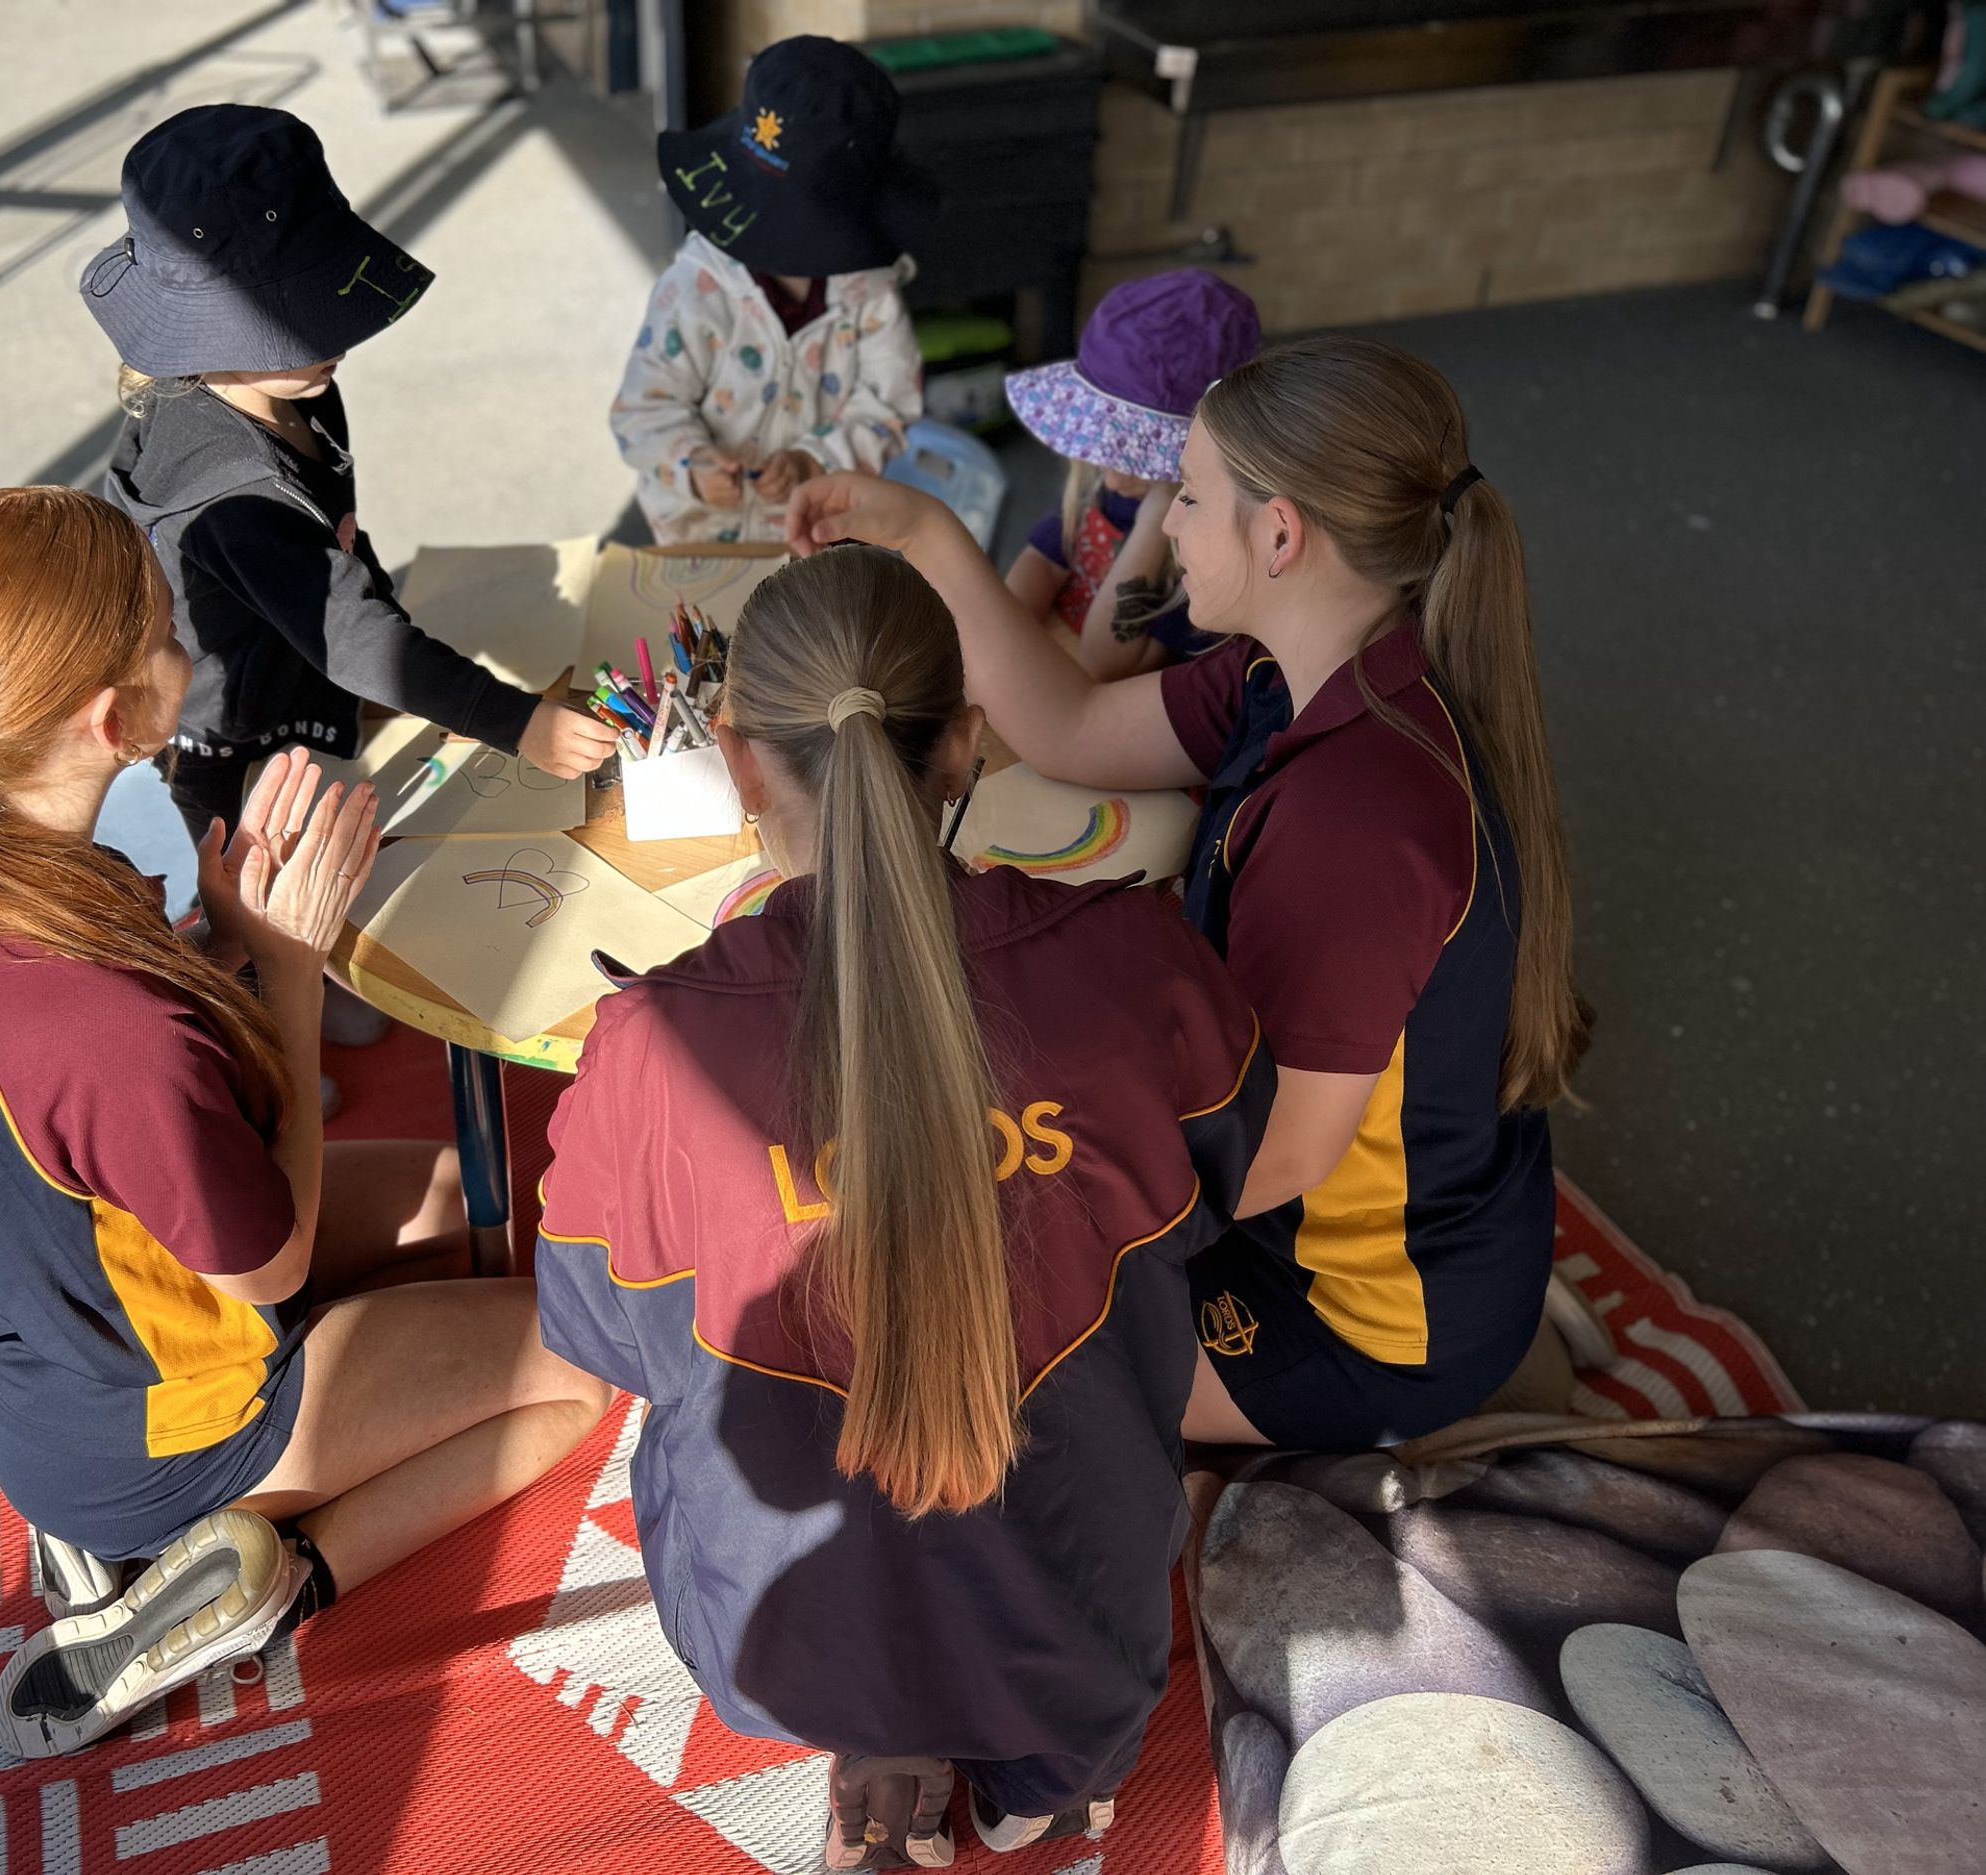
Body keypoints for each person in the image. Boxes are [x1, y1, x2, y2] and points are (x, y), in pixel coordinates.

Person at [534, 547, 1272, 1866]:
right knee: (1113, 1372)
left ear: (740, 764)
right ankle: (1052, 1781)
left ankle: (877, 1742)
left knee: (696, 1404)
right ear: (968, 745)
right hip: (1083, 1628)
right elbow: (1231, 1191)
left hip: (786, 1646)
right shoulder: (1141, 959)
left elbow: (602, 1340)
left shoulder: (646, 1048)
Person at [0, 487, 610, 1757]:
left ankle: (122, 1521)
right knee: (580, 1369)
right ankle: (269, 1580)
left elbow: (72, 1089)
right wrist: (290, 967)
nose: (188, 647)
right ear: (112, 720)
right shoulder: (106, 1030)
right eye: (165, 632)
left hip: (27, 1339)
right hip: (157, 1421)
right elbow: (271, 1263)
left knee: (451, 1193)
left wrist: (222, 942)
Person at [787, 334, 1589, 1451]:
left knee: (934, 1355)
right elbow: (1069, 724)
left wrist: (1015, 1189)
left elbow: (1278, 1158)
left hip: (1356, 1318)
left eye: (1192, 497)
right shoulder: (1300, 669)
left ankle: (1443, 1394)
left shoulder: (1352, 824)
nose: (1164, 527)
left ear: (1279, 535)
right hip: (1397, 1215)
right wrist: (921, 530)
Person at [83, 103, 611, 841]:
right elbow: (353, 637)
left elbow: (335, 560)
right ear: (220, 334)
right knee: (266, 892)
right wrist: (514, 721)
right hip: (238, 749)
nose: (338, 338)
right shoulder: (233, 494)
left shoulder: (294, 387)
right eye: (309, 319)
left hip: (301, 675)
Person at [610, 36, 924, 546]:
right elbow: (642, 410)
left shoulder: (872, 296)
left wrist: (812, 460)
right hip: (700, 540)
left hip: (819, 539)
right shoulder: (694, 289)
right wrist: (692, 465)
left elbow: (888, 409)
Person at [1001, 270, 1259, 676]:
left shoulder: (1205, 557)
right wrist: (1007, 635)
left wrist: (1155, 517)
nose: (1113, 481)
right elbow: (1042, 561)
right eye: (1106, 451)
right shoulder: (1102, 487)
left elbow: (1105, 664)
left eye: (1138, 463)